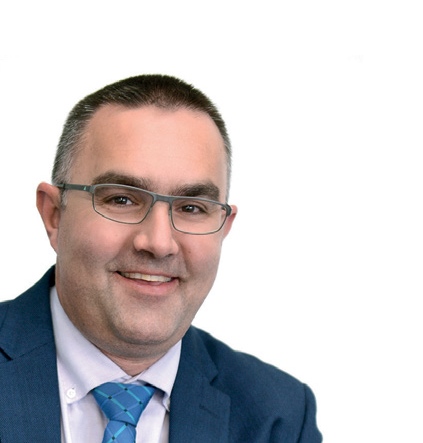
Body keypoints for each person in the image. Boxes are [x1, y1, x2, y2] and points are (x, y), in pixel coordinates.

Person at [0, 74, 322, 442]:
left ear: (223, 227)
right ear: (54, 214)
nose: (158, 242)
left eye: (191, 207)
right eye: (122, 199)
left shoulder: (278, 418)